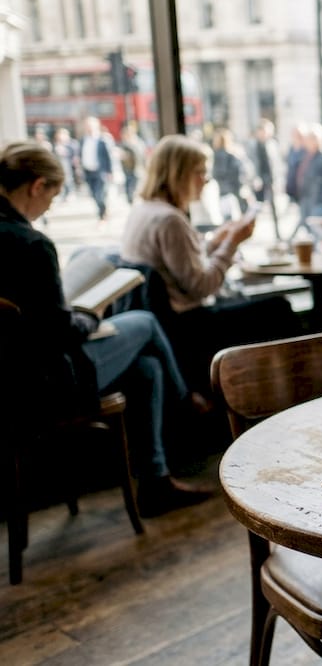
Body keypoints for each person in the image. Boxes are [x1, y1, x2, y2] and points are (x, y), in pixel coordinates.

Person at [0, 141, 211, 516]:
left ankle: (155, 482)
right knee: (145, 322)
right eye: (53, 195)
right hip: (48, 384)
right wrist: (89, 313)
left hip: (12, 384)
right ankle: (186, 401)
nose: (50, 206)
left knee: (148, 369)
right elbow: (61, 332)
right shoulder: (32, 245)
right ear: (36, 187)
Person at [120, 135, 299, 391]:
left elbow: (179, 266)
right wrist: (232, 244)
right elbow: (202, 285)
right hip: (190, 325)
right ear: (178, 174)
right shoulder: (170, 220)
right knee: (278, 309)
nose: (206, 179)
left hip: (168, 322)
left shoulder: (144, 211)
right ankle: (278, 392)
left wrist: (216, 242)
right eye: (200, 172)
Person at [286, 124, 322, 240]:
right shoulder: (305, 154)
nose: (307, 142)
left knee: (315, 225)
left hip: (319, 198)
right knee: (306, 224)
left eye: (310, 139)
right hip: (305, 197)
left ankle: (315, 249)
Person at [247, 118, 281, 239]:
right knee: (256, 207)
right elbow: (250, 163)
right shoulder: (252, 145)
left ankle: (278, 233)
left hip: (270, 180)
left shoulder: (272, 144)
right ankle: (252, 233)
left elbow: (277, 164)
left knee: (274, 208)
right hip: (258, 180)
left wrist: (277, 181)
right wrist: (254, 178)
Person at [79, 116, 114, 222]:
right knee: (94, 195)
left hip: (100, 172)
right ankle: (103, 210)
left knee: (99, 194)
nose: (88, 128)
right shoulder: (83, 140)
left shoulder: (102, 140)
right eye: (87, 126)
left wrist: (110, 172)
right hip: (88, 172)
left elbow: (108, 157)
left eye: (90, 125)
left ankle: (102, 215)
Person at [211, 128, 247, 219]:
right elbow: (239, 176)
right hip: (231, 194)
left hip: (218, 194)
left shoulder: (213, 156)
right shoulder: (232, 156)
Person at [118, 123, 146, 205]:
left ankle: (133, 201)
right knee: (128, 187)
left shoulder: (138, 143)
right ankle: (131, 201)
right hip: (127, 169)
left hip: (137, 169)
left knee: (133, 187)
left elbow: (140, 156)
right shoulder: (124, 144)